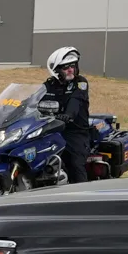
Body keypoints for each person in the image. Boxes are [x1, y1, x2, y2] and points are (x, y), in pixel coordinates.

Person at [38, 45, 96, 183]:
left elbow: (75, 102)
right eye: (66, 67)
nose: (70, 69)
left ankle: (82, 197)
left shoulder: (80, 83)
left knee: (76, 163)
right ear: (57, 71)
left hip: (75, 132)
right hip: (52, 130)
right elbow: (34, 100)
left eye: (73, 66)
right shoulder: (49, 85)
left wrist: (68, 115)